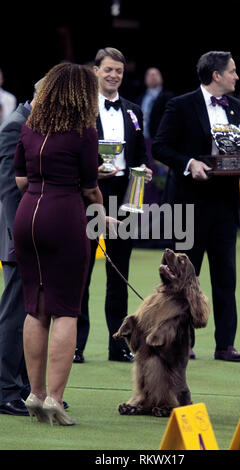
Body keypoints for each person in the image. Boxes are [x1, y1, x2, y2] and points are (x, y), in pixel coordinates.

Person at [13, 62, 106, 425]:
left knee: (34, 307)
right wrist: (100, 210)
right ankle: (55, 399)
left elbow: (21, 180)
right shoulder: (84, 131)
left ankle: (34, 394)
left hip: (27, 215)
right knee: (66, 309)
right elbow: (89, 186)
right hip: (63, 215)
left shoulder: (30, 126)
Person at [152, 51, 240, 362]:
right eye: (232, 72)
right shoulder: (180, 105)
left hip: (224, 205)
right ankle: (182, 342)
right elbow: (160, 147)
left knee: (225, 276)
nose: (236, 77)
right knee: (184, 277)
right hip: (189, 203)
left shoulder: (236, 107)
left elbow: (237, 148)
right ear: (216, 75)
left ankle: (225, 344)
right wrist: (189, 163)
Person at [74, 47, 152, 364]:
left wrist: (144, 170)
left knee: (118, 274)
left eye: (118, 71)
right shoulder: (79, 108)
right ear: (95, 71)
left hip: (124, 196)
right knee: (82, 271)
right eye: (108, 69)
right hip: (88, 193)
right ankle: (75, 345)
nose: (113, 75)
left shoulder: (133, 111)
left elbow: (140, 154)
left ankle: (117, 344)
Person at [0, 79, 44, 417]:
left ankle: (28, 388)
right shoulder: (15, 125)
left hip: (35, 238)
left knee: (35, 315)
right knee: (14, 316)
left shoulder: (32, 124)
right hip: (20, 241)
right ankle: (4, 391)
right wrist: (22, 239)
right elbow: (8, 190)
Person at [137, 67, 174, 139]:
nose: (153, 76)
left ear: (161, 78)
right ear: (145, 79)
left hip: (160, 138)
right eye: (149, 75)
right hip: (142, 139)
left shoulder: (168, 97)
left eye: (156, 74)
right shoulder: (139, 98)